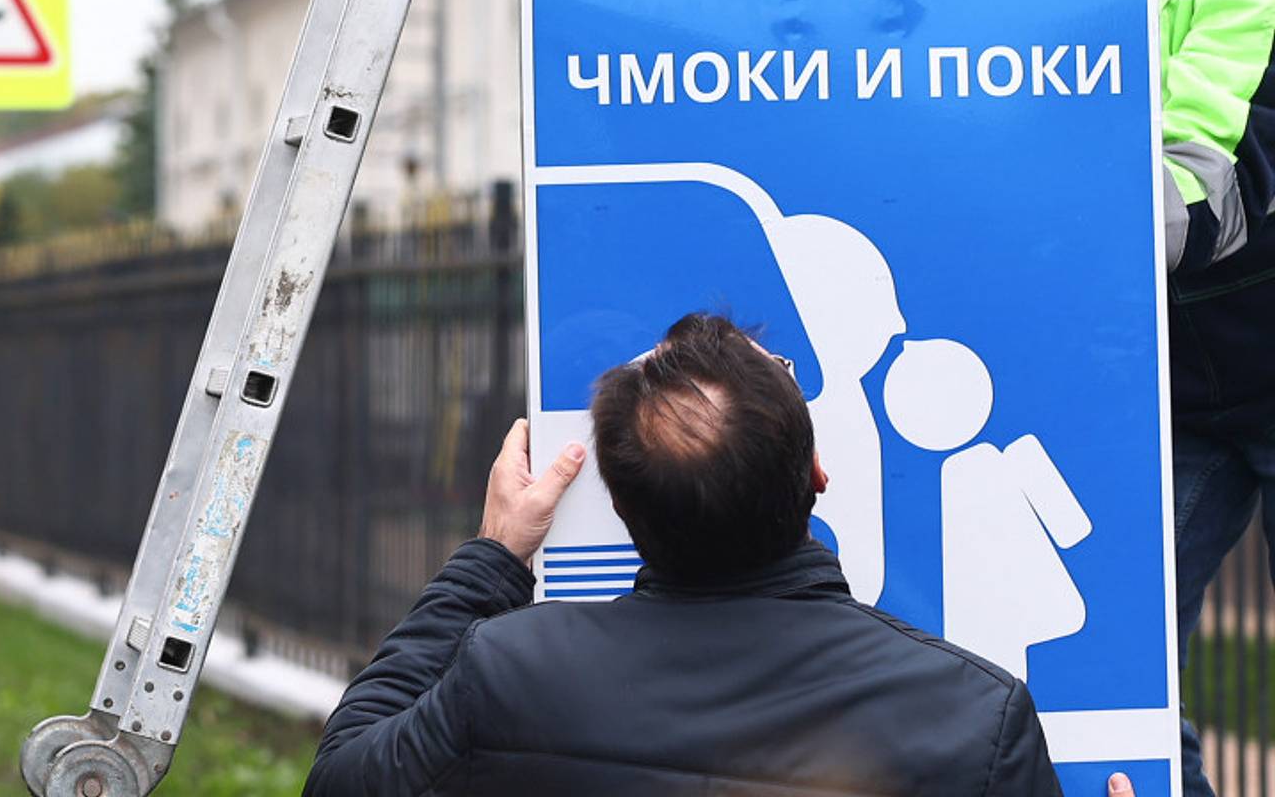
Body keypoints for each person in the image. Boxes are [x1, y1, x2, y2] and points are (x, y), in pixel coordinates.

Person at [957, 0, 1275, 797]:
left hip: (1245, 333)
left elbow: (1202, 175)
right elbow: (950, 76)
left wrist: (1022, 211)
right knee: (1100, 665)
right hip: (1138, 371)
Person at [302, 313, 1064, 796]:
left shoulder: (510, 672)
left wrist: (494, 556)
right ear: (818, 476)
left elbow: (341, 777)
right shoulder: (974, 721)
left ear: (624, 510)